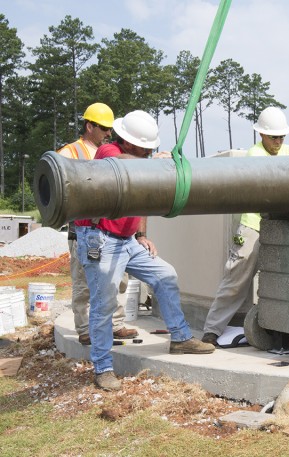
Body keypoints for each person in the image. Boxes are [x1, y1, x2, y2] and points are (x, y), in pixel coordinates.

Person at [74, 110, 215, 391]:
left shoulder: (139, 160)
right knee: (104, 305)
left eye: (151, 148)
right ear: (128, 141)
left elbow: (144, 201)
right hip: (100, 239)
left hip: (127, 241)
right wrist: (150, 163)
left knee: (165, 275)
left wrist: (142, 235)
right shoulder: (108, 151)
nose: (150, 151)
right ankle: (102, 369)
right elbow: (121, 163)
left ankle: (180, 338)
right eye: (146, 147)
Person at [201, 107, 289, 346]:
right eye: (273, 137)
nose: (278, 142)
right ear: (261, 135)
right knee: (236, 281)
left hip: (280, 229)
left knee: (285, 280)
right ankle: (212, 330)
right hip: (253, 228)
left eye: (281, 137)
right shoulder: (254, 154)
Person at [57, 103, 138, 345]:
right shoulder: (70, 153)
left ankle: (115, 325)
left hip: (112, 232)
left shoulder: (113, 150)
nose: (108, 133)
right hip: (83, 231)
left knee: (118, 280)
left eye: (110, 129)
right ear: (89, 126)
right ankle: (84, 329)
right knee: (83, 283)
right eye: (103, 128)